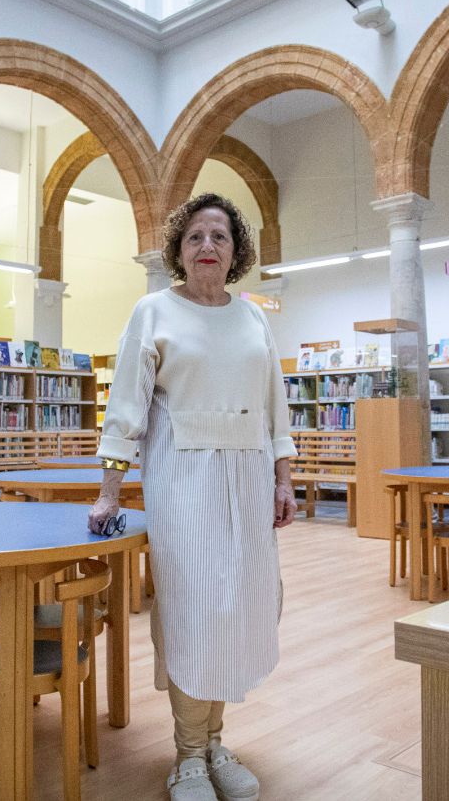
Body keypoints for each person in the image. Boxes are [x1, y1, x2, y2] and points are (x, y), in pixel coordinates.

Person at [89, 193, 296, 801]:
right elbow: (125, 408)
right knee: (193, 611)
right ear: (179, 250)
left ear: (236, 252)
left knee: (237, 610)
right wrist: (109, 491)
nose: (208, 246)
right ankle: (187, 755)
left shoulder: (253, 318)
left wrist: (284, 478)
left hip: (249, 478)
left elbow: (275, 406)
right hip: (182, 477)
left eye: (220, 237)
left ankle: (214, 743)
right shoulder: (153, 310)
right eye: (196, 237)